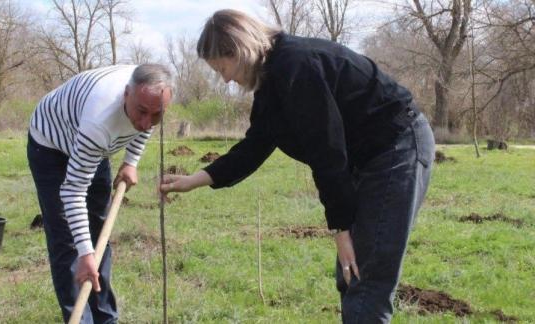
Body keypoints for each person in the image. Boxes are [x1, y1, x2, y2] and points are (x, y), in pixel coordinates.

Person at [160, 9, 435, 323]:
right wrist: (194, 180)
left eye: (223, 67)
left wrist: (341, 228)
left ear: (240, 50)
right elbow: (255, 145)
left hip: (396, 147)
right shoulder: (273, 83)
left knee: (365, 275)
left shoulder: (297, 67)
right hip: (370, 155)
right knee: (351, 276)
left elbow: (326, 149)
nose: (225, 79)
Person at [27, 64, 172, 323]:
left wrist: (131, 162)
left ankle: (106, 319)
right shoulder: (100, 121)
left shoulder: (150, 98)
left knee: (99, 234)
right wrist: (85, 254)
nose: (146, 123)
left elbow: (144, 123)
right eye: (141, 112)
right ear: (126, 94)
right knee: (69, 242)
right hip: (52, 144)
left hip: (93, 145)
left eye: (156, 115)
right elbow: (73, 191)